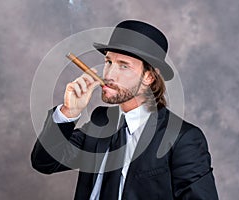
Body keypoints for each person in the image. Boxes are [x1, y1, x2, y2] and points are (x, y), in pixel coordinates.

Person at [31, 20, 218, 200]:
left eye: (124, 66)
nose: (110, 74)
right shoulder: (101, 122)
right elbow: (45, 163)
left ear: (149, 77)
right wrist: (68, 112)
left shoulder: (182, 138)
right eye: (108, 62)